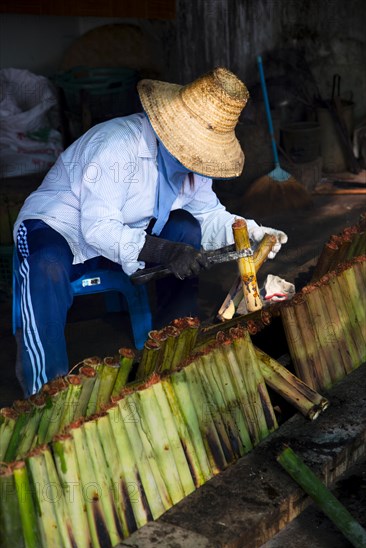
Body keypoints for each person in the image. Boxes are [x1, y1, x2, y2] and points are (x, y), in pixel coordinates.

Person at [13, 67, 288, 397]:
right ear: (173, 129)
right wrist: (165, 252)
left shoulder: (194, 163)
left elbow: (209, 214)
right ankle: (44, 392)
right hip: (58, 228)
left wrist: (254, 234)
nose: (200, 158)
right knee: (45, 267)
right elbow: (98, 227)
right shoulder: (118, 147)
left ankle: (175, 347)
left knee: (185, 227)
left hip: (125, 233)